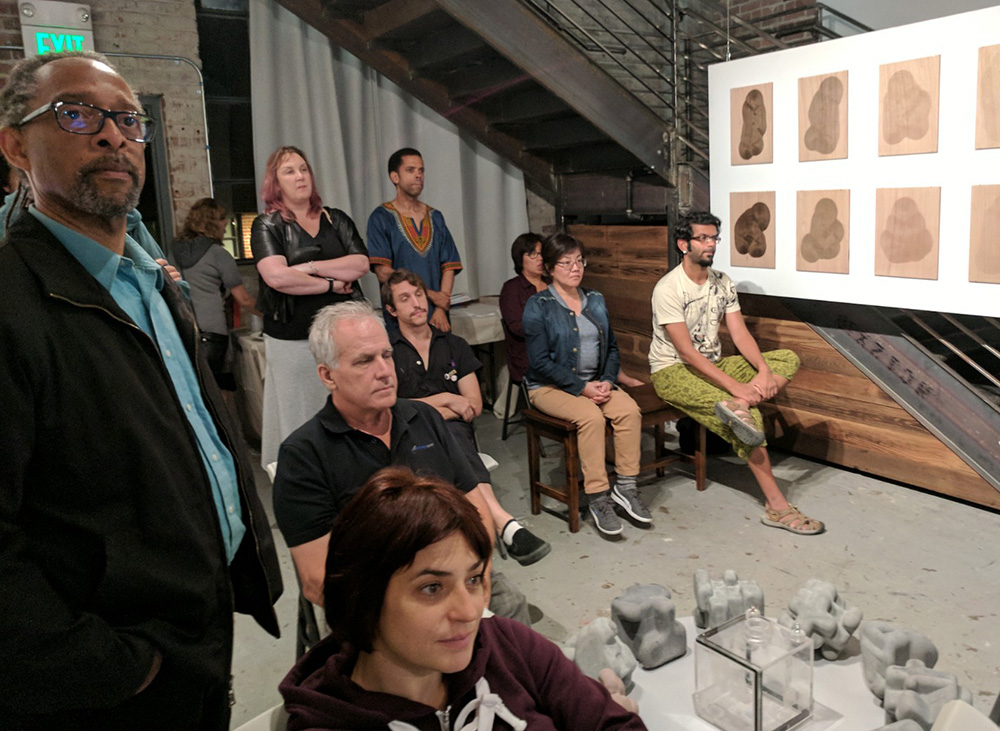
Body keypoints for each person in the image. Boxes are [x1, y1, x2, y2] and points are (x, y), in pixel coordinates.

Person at [0, 51, 282, 730]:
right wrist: (110, 666)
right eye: (76, 114)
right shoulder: (12, 305)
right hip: (112, 681)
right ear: (14, 146)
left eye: (129, 120)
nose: (113, 136)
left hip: (197, 626)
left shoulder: (150, 281)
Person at [279, 466, 646, 730]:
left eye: (472, 579)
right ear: (362, 596)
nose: (470, 611)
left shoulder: (508, 645)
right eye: (432, 588)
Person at [273, 300, 530, 623]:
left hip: (457, 574)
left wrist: (478, 579)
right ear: (328, 375)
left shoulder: (424, 418)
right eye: (364, 361)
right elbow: (317, 579)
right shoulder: (304, 456)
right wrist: (417, 618)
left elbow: (475, 508)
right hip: (377, 605)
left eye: (387, 355)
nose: (384, 371)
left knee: (512, 610)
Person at [649, 210, 824, 535]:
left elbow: (740, 334)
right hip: (673, 372)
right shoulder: (668, 288)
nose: (710, 244)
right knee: (750, 423)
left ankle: (739, 406)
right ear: (683, 244)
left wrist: (763, 371)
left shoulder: (722, 282)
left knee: (786, 358)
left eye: (714, 238)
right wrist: (735, 387)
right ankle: (777, 508)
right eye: (702, 238)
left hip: (713, 366)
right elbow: (686, 352)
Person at [383, 268, 551, 566]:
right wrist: (447, 399)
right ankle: (503, 523)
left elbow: (472, 405)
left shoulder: (454, 345)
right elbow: (391, 408)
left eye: (419, 294)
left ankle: (482, 542)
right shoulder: (387, 353)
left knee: (452, 437)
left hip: (455, 435)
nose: (417, 303)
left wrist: (421, 408)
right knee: (440, 440)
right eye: (405, 298)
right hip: (409, 440)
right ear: (391, 310)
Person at [523, 232, 652, 537]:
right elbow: (539, 362)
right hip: (549, 388)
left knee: (629, 411)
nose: (575, 268)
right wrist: (581, 388)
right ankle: (598, 498)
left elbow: (612, 348)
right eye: (566, 263)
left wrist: (606, 380)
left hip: (595, 382)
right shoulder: (538, 305)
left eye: (580, 261)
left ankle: (626, 487)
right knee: (591, 417)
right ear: (550, 268)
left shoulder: (595, 299)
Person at [250, 145, 369, 468]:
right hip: (292, 339)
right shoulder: (267, 225)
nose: (300, 176)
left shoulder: (335, 218)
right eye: (289, 171)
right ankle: (306, 478)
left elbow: (360, 264)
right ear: (275, 182)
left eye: (303, 169)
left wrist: (309, 267)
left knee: (348, 410)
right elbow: (277, 277)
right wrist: (330, 284)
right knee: (300, 417)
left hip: (341, 338)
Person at [501, 231, 645, 388]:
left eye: (579, 261)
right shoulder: (520, 292)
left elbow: (610, 345)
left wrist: (606, 380)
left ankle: (614, 377)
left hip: (583, 367)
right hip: (536, 357)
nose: (539, 258)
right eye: (532, 254)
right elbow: (518, 329)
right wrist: (549, 327)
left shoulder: (584, 294)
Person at [367, 147, 462, 331]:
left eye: (421, 170)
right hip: (401, 318)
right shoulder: (381, 218)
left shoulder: (435, 217)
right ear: (395, 177)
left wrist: (441, 307)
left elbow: (449, 266)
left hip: (437, 316)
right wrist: (430, 295)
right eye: (410, 170)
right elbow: (383, 272)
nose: (418, 175)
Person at [173, 197, 257, 390]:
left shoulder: (173, 251)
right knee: (219, 391)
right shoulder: (218, 254)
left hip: (183, 330)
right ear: (210, 222)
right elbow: (244, 299)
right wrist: (270, 317)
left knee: (195, 391)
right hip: (213, 332)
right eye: (222, 219)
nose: (226, 223)